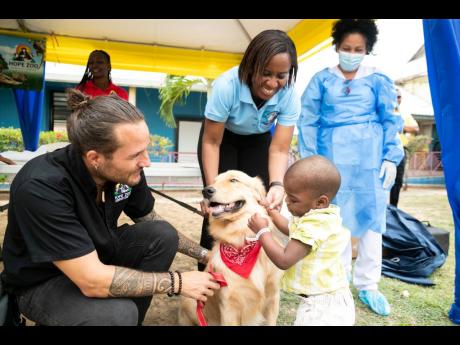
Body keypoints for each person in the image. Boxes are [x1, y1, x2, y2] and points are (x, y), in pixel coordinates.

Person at [0, 89, 220, 326]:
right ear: (95, 158)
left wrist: (206, 255)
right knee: (117, 314)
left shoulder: (126, 169)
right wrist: (178, 282)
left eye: (146, 148)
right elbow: (91, 279)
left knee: (161, 233)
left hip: (95, 258)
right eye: (136, 154)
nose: (146, 161)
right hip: (43, 280)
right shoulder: (41, 186)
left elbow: (150, 219)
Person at [297, 19, 404, 316]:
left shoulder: (378, 79)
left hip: (370, 158)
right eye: (347, 48)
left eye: (358, 49)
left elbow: (389, 120)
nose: (352, 53)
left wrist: (390, 157)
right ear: (337, 47)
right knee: (336, 221)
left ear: (367, 49)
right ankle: (338, 278)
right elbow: (308, 121)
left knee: (372, 222)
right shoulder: (321, 80)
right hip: (333, 157)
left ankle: (369, 284)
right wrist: (313, 161)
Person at [197, 29, 301, 270]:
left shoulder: (289, 95)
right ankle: (207, 276)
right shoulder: (227, 85)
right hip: (223, 139)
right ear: (251, 65)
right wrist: (210, 192)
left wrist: (277, 184)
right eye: (265, 73)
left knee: (257, 203)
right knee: (218, 206)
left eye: (280, 76)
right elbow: (212, 142)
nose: (272, 83)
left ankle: (250, 270)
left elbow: (279, 149)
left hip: (258, 140)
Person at [248, 155, 355, 326]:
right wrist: (272, 212)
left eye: (293, 199)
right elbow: (293, 229)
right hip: (325, 300)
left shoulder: (315, 224)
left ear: (320, 201)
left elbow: (284, 260)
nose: (287, 202)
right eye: (287, 196)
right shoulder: (320, 216)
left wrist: (262, 232)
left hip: (323, 310)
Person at [390, 89, 420, 207]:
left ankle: (393, 209)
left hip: (401, 151)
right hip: (383, 150)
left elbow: (415, 128)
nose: (398, 99)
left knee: (397, 181)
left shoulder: (404, 114)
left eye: (399, 97)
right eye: (395, 96)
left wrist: (400, 126)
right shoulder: (383, 111)